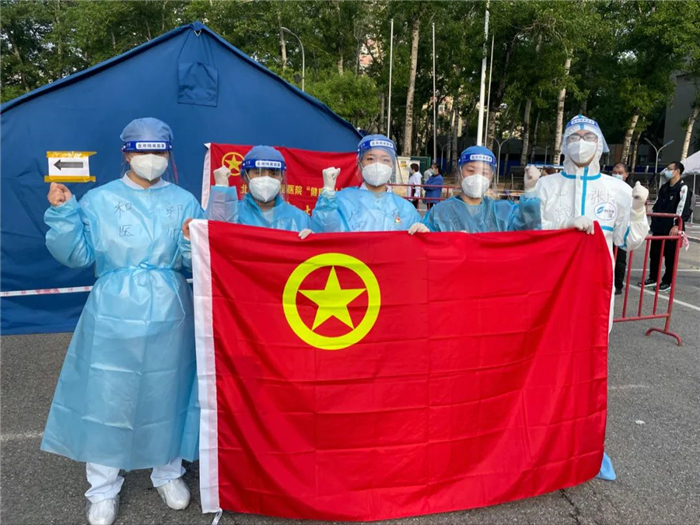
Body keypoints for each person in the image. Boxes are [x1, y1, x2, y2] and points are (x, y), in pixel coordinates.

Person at [42, 118, 202, 525]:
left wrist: (189, 241)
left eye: (159, 151)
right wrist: (63, 213)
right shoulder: (99, 200)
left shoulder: (184, 201)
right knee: (108, 395)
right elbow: (76, 255)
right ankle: (102, 488)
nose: (151, 159)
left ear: (168, 154)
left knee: (168, 390)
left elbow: (195, 261)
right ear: (126, 154)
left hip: (169, 310)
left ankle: (168, 471)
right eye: (142, 151)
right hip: (113, 310)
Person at [535, 115, 649, 482]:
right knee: (544, 368)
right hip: (549, 296)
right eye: (574, 136)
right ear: (564, 143)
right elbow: (528, 233)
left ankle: (586, 444)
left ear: (599, 144)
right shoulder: (546, 187)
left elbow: (628, 240)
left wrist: (637, 209)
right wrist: (562, 228)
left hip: (595, 300)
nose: (580, 142)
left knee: (588, 371)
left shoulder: (617, 189)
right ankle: (541, 440)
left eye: (587, 136)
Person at [182, 145, 314, 240]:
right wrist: (221, 190)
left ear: (281, 178)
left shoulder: (299, 218)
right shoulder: (230, 214)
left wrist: (313, 244)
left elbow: (316, 262)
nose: (266, 179)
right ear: (245, 176)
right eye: (258, 173)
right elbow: (211, 245)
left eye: (273, 173)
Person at [410, 147, 541, 233]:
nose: (477, 177)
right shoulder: (440, 212)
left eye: (484, 173)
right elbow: (429, 251)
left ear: (491, 177)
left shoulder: (503, 212)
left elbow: (528, 231)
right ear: (460, 172)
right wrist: (424, 234)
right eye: (471, 170)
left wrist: (530, 190)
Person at [313, 134, 422, 232]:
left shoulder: (405, 209)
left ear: (392, 166)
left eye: (385, 160)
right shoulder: (342, 201)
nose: (378, 164)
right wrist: (327, 196)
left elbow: (417, 243)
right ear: (360, 164)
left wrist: (423, 232)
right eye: (370, 159)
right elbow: (324, 231)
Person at [639, 161, 693, 292]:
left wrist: (677, 225)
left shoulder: (683, 188)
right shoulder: (664, 187)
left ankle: (667, 281)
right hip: (659, 227)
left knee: (670, 257)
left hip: (672, 229)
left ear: (677, 171)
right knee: (655, 254)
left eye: (670, 169)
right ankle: (653, 278)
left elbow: (683, 209)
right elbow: (657, 205)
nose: (667, 171)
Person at [611, 163, 632, 295]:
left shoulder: (629, 190)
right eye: (614, 172)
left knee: (619, 259)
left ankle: (618, 285)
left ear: (626, 175)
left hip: (622, 229)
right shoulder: (606, 187)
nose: (616, 175)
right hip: (608, 228)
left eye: (620, 173)